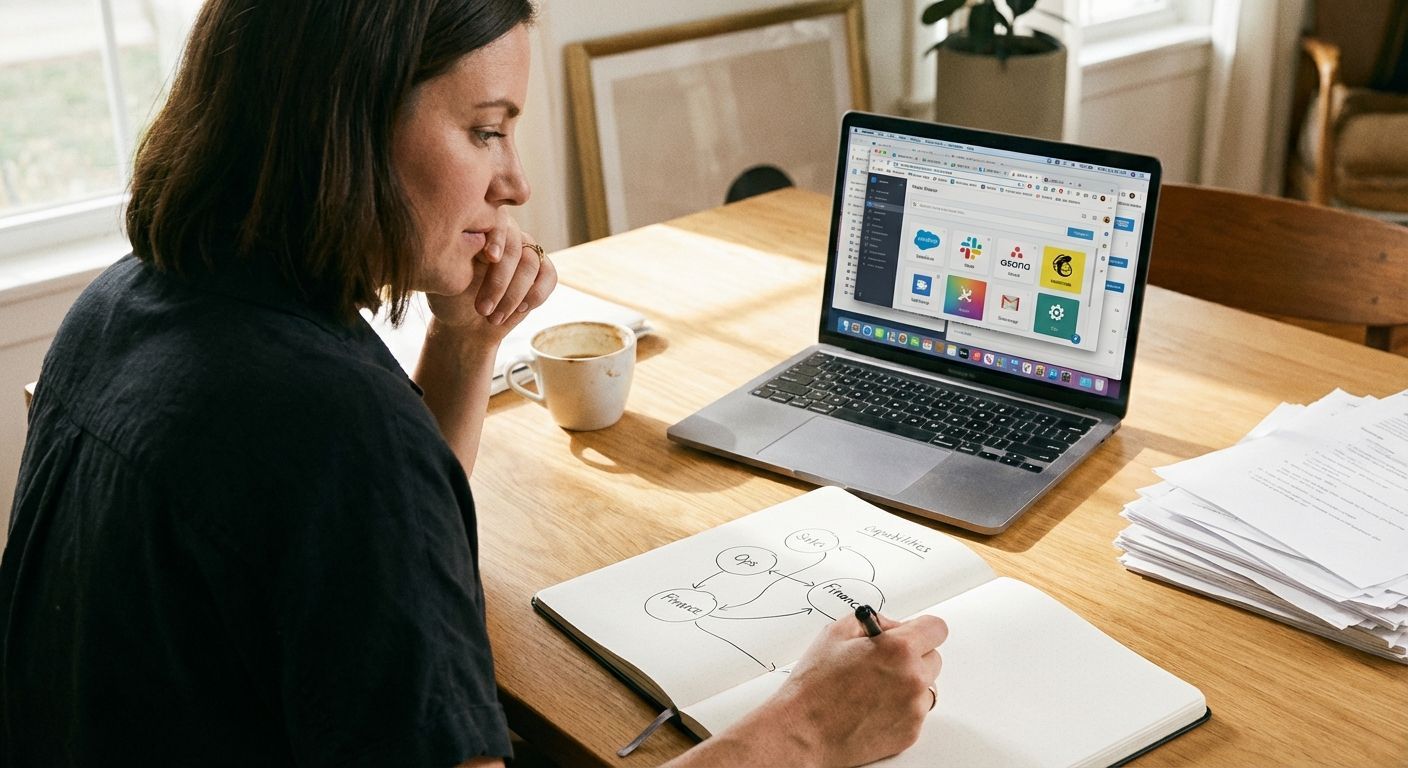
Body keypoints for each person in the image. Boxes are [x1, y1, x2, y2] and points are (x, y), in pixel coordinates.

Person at [0, 1, 949, 766]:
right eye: (485, 131)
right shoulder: (330, 430)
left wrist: (464, 344)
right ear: (342, 123)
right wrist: (803, 732)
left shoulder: (126, 304)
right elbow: (362, 494)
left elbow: (370, 563)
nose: (517, 184)